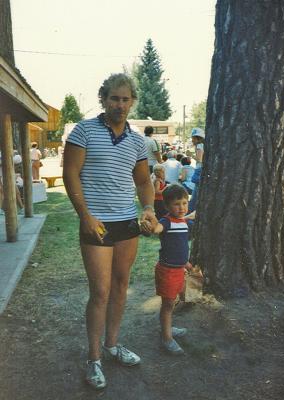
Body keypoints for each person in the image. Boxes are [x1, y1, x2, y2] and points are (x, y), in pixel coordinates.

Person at [63, 73, 157, 390]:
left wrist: (147, 208)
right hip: (97, 222)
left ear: (132, 102)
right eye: (114, 98)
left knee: (120, 286)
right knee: (100, 292)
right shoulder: (84, 131)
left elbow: (144, 181)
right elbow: (70, 174)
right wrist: (84, 215)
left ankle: (112, 345)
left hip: (126, 223)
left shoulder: (137, 141)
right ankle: (93, 359)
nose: (119, 104)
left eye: (125, 99)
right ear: (103, 98)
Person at [141, 184, 195, 355]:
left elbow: (179, 245)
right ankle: (166, 338)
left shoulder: (184, 222)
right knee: (167, 305)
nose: (182, 208)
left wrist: (185, 263)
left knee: (171, 304)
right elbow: (158, 229)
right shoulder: (167, 221)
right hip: (167, 271)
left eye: (185, 203)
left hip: (179, 270)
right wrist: (151, 226)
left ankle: (168, 329)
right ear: (167, 206)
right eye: (177, 204)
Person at [188, 128, 205, 212]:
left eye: (193, 138)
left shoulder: (199, 146)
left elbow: (199, 159)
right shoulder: (203, 145)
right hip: (202, 170)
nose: (192, 140)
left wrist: (190, 155)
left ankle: (190, 211)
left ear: (197, 138)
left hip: (199, 170)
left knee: (195, 194)